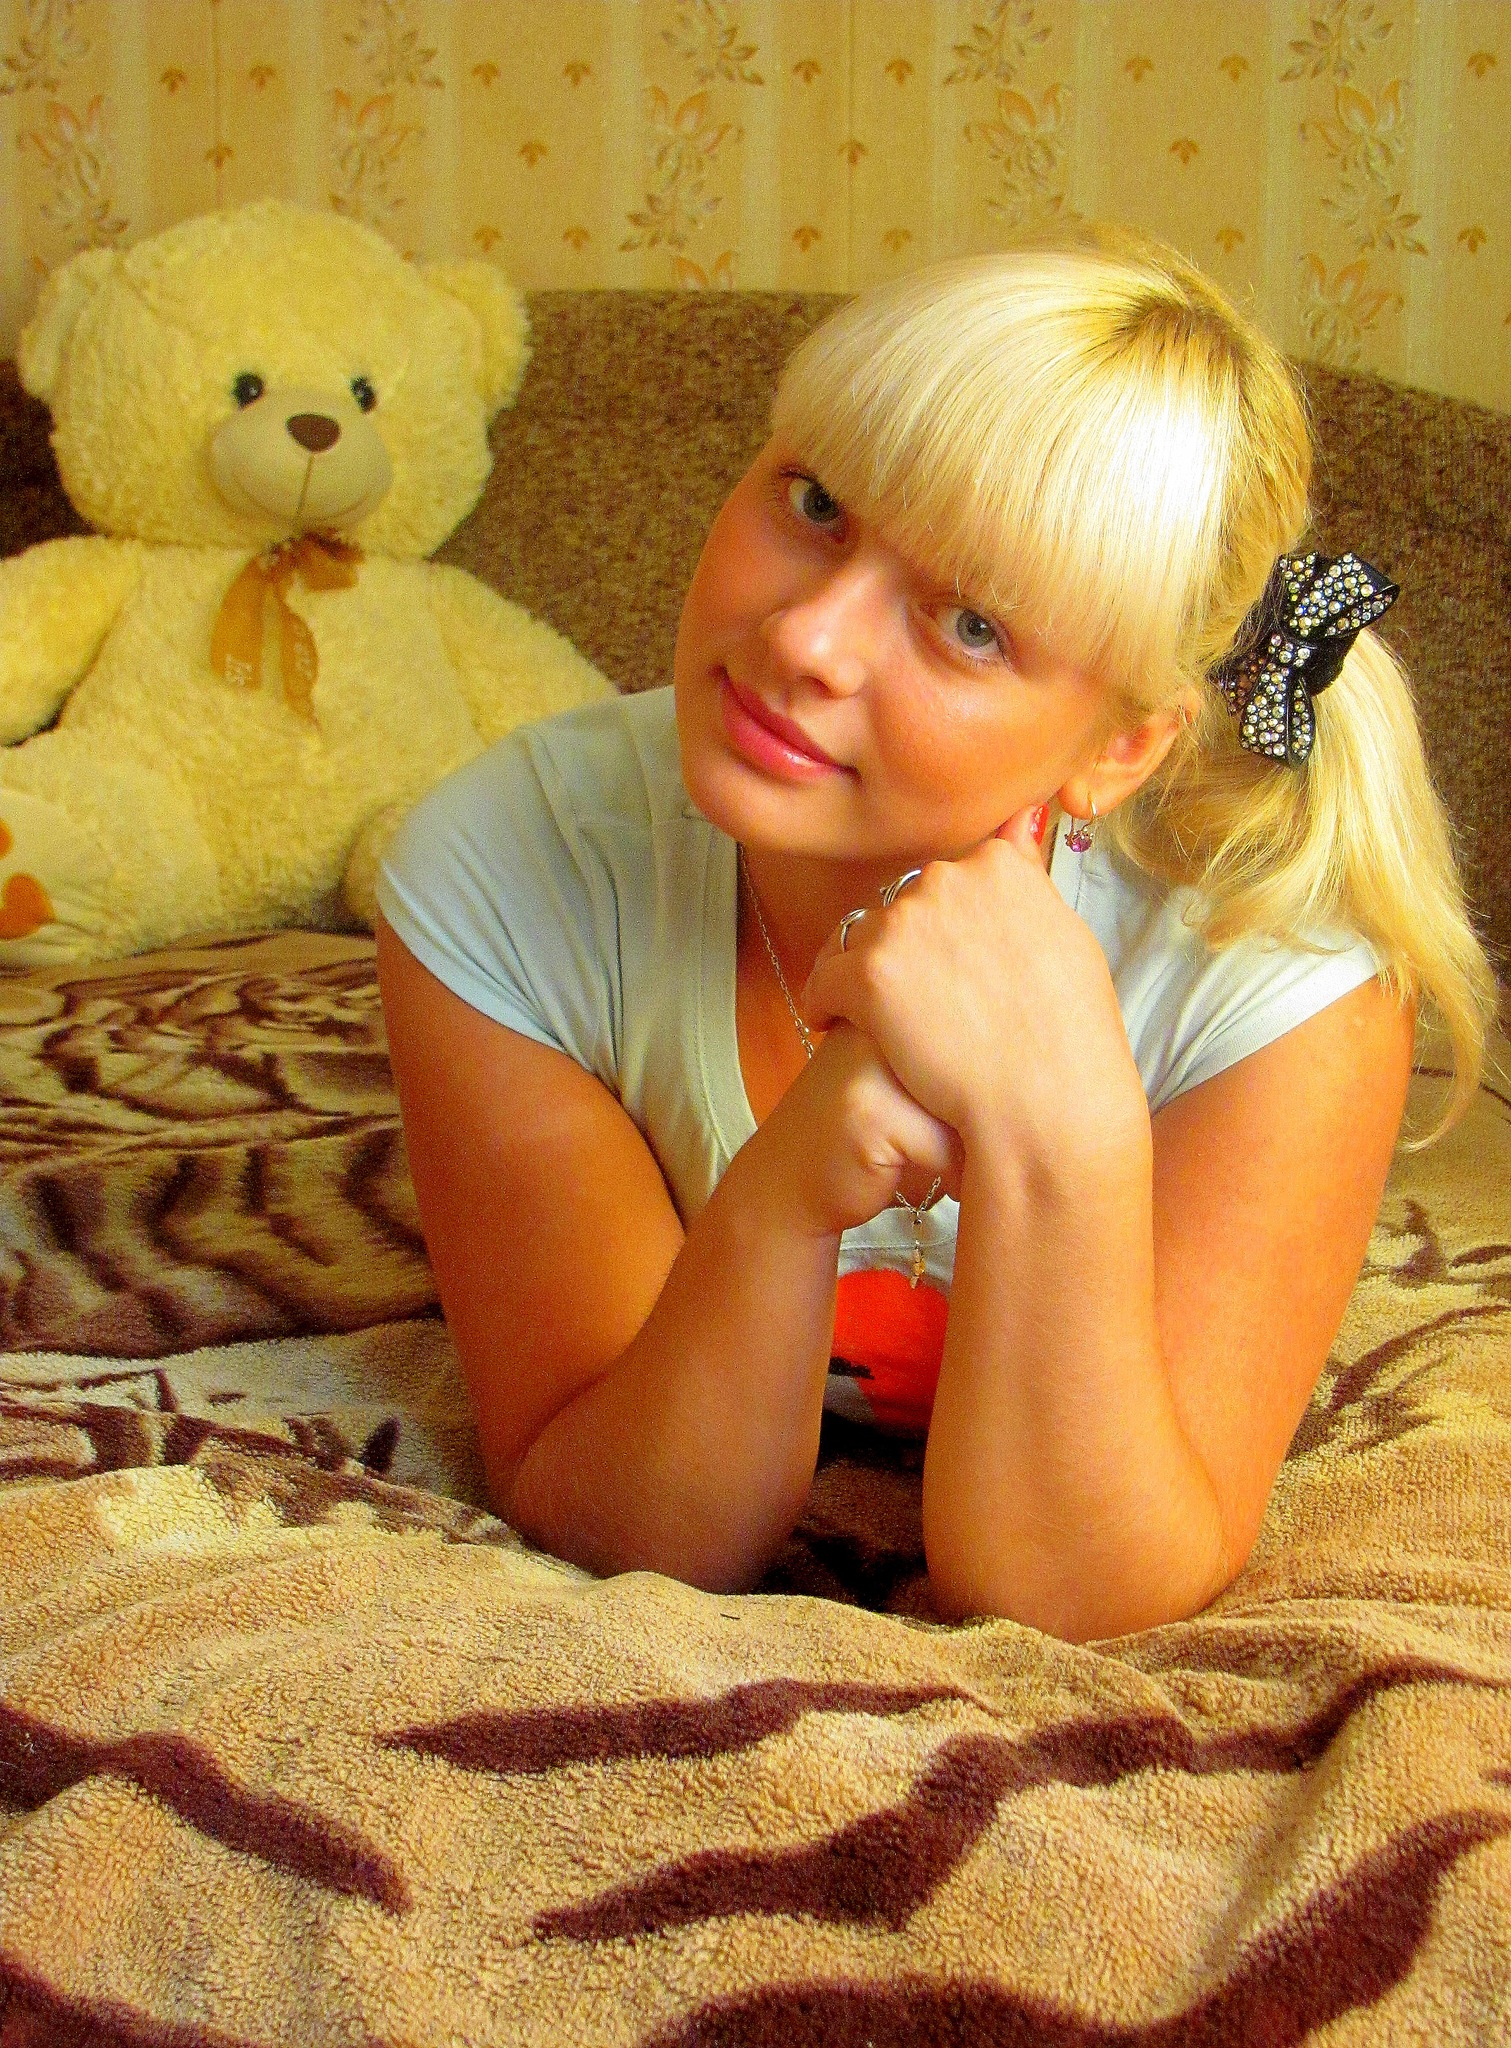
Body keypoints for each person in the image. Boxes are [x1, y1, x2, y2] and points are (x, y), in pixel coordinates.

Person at [375, 226, 1495, 1640]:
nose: (806, 640)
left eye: (971, 624)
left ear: (1126, 744)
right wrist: (786, 1191)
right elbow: (625, 1518)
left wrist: (1060, 1129)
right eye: (816, 503)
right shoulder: (498, 867)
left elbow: (1074, 1596)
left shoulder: (1289, 975)